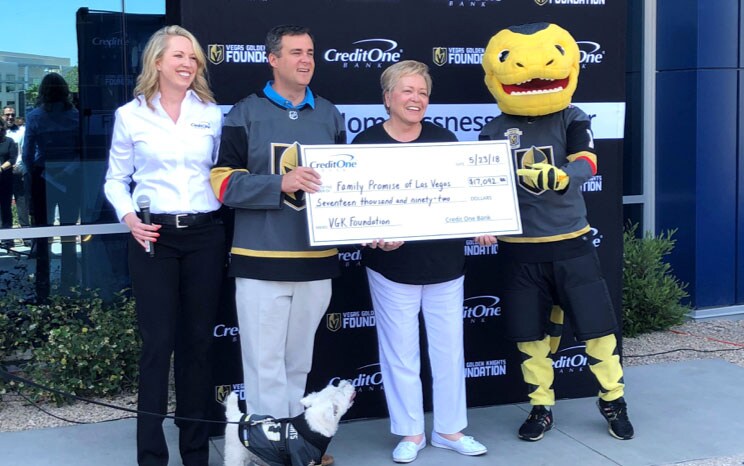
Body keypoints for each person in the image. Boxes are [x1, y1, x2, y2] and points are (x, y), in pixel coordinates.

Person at [478, 22, 634, 441]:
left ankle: (612, 399)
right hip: (519, 251)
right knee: (531, 337)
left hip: (571, 244)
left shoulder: (572, 115)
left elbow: (587, 162)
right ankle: (541, 407)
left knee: (598, 329)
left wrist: (561, 177)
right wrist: (478, 220)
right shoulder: (492, 129)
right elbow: (479, 188)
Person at [209, 25, 344, 465]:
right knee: (264, 366)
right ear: (273, 59)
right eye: (295, 53)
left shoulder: (329, 114)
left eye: (310, 52)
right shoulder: (244, 113)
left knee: (298, 365)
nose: (305, 60)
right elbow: (221, 183)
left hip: (315, 260)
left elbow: (347, 186)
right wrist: (278, 184)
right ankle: (269, 451)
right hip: (260, 260)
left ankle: (296, 445)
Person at [351, 60, 488, 464]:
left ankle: (449, 430)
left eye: (423, 92)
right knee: (399, 354)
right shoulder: (366, 144)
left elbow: (467, 198)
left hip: (446, 265)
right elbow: (353, 210)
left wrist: (484, 222)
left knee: (449, 353)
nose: (416, 99)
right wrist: (373, 238)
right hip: (392, 269)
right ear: (388, 98)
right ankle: (410, 432)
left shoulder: (445, 140)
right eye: (408, 91)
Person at [104, 25, 225, 466]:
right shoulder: (130, 116)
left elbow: (223, 174)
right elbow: (115, 180)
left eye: (193, 57)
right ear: (156, 62)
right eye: (178, 56)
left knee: (198, 345)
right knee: (157, 346)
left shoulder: (212, 114)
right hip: (152, 236)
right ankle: (151, 457)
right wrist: (130, 218)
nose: (187, 64)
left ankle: (196, 454)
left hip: (205, 236)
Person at [22, 72, 81, 299]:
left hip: (42, 177)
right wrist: (69, 170)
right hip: (72, 178)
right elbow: (80, 149)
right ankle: (70, 287)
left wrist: (35, 173)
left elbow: (27, 153)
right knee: (69, 234)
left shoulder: (35, 116)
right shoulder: (75, 116)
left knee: (42, 234)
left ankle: (42, 289)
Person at [3, 106, 28, 230]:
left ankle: (26, 235)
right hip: (4, 173)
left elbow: (25, 150)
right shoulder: (1, 134)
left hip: (18, 171)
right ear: (2, 116)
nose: (10, 117)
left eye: (12, 114)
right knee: (5, 205)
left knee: (22, 203)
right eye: (7, 114)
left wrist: (23, 166)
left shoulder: (21, 131)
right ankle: (8, 237)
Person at [0, 119, 18, 247]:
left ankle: (7, 238)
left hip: (5, 179)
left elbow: (13, 159)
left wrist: (1, 168)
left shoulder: (9, 141)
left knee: (6, 208)